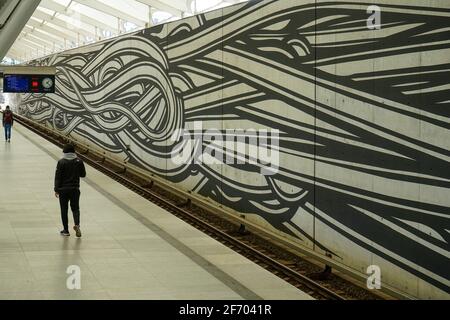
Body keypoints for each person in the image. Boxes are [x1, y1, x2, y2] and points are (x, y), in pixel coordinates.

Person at [54, 143, 86, 237]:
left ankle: (66, 230)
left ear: (65, 152)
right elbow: (83, 174)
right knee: (75, 208)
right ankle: (77, 225)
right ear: (73, 152)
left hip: (63, 190)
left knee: (64, 209)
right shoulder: (79, 161)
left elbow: (58, 177)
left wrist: (56, 189)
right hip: (75, 189)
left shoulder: (61, 162)